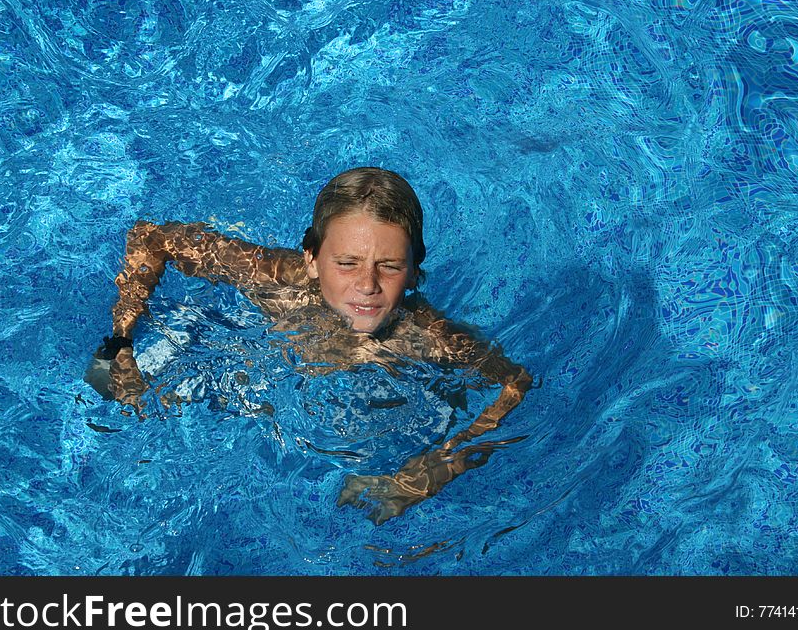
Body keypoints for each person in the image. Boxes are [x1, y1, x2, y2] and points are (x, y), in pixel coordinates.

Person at [86, 167, 531, 524]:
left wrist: (437, 468)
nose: (367, 285)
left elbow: (515, 384)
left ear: (415, 271)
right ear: (312, 259)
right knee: (112, 390)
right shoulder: (276, 279)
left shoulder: (428, 337)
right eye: (347, 263)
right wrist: (121, 337)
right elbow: (152, 238)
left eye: (390, 266)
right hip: (259, 362)